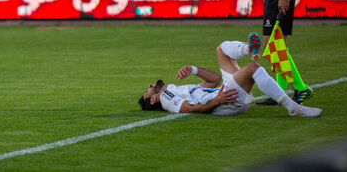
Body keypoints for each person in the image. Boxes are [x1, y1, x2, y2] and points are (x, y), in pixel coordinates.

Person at [138, 33, 322, 117]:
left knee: (221, 49)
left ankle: (248, 48)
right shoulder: (166, 97)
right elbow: (189, 109)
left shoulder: (178, 90)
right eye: (148, 91)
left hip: (221, 93)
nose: (150, 85)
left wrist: (193, 69)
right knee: (252, 68)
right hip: (223, 102)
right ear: (153, 100)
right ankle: (293, 108)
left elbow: (214, 80)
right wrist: (217, 101)